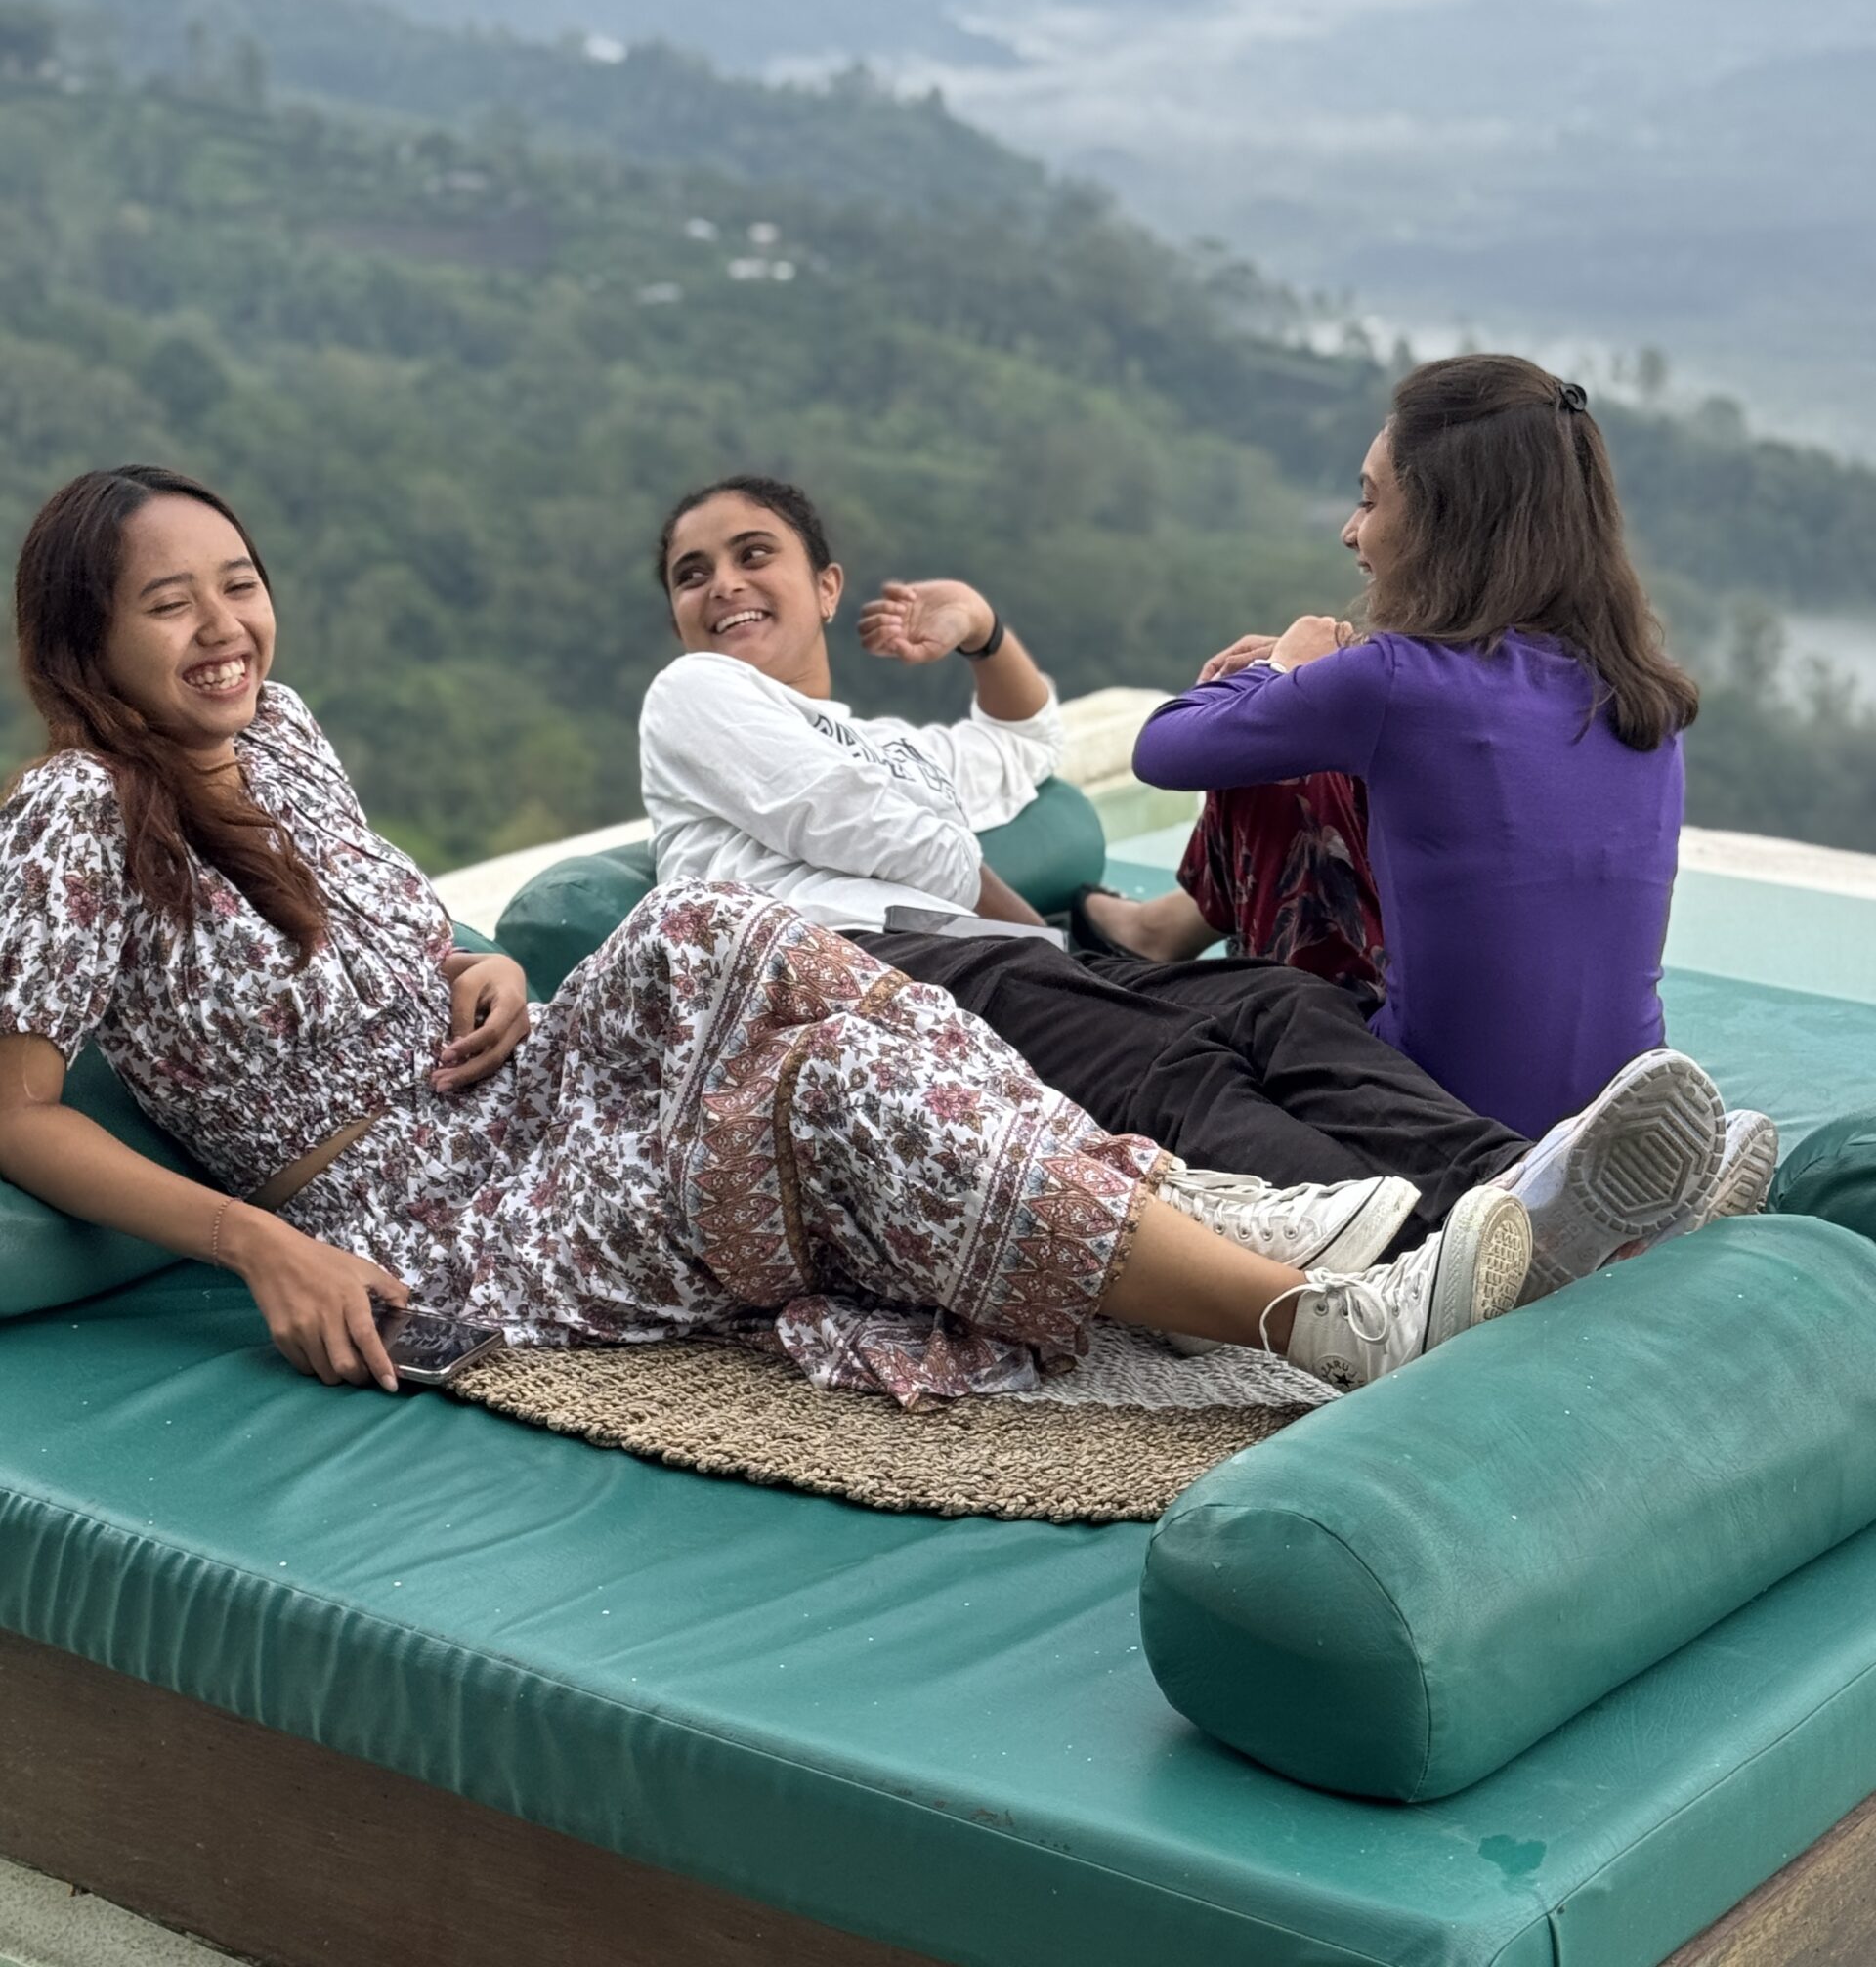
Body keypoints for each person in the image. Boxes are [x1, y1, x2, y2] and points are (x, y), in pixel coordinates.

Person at [0, 467, 1545, 1408]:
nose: (223, 630)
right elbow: (20, 1116)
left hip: (507, 1097)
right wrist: (260, 1242)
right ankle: (1325, 1317)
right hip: (410, 1208)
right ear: (88, 639)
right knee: (820, 1097)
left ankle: (1202, 1211)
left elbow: (390, 910)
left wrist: (475, 959)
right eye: (168, 607)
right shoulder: (74, 814)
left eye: (240, 587)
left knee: (718, 924)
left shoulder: (280, 731)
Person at [640, 474, 1733, 1299]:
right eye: (696, 573)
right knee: (1179, 1067)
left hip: (979, 962)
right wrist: (1034, 933)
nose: (725, 585)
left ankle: (1545, 1180)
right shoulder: (694, 694)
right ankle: (1438, 1259)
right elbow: (858, 824)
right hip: (857, 974)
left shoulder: (883, 743)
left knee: (1276, 997)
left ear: (826, 586)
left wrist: (981, 629)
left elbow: (1021, 743)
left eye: (753, 555)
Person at [1131, 357, 1777, 1250]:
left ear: (1440, 519)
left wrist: (1280, 672)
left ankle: (1473, 1201)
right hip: (1621, 1093)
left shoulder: (1396, 680)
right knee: (1321, 775)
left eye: (1370, 499)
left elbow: (1163, 748)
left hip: (1434, 1106)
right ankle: (1632, 1189)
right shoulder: (1644, 699)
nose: (1352, 533)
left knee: (1202, 1041)